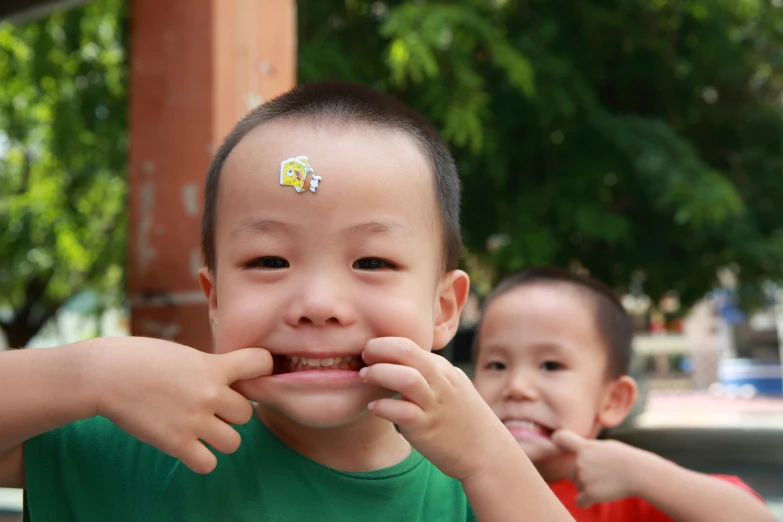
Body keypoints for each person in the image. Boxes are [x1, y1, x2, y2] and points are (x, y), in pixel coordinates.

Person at [0, 81, 574, 522]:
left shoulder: (475, 490)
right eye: (269, 262)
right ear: (215, 299)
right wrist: (88, 373)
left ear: (444, 307)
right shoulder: (151, 440)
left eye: (372, 263)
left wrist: (488, 459)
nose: (318, 304)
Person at [472, 267, 776, 522]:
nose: (516, 387)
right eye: (496, 364)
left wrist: (643, 475)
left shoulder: (628, 496)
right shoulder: (449, 483)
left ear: (613, 400)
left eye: (551, 365)